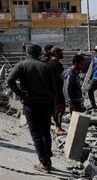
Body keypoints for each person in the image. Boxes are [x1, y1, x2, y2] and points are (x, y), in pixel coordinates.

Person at [7, 44, 57, 172]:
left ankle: (45, 163)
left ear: (27, 52)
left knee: (36, 134)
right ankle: (47, 158)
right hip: (45, 103)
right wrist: (53, 105)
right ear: (39, 53)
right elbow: (53, 88)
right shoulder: (45, 67)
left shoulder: (22, 65)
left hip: (30, 103)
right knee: (45, 132)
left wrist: (21, 93)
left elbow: (10, 80)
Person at [45, 46, 66, 134]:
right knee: (60, 109)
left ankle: (48, 126)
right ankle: (58, 127)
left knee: (53, 109)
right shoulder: (57, 64)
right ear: (56, 53)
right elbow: (62, 77)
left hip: (50, 91)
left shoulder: (48, 63)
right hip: (58, 91)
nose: (62, 53)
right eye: (60, 51)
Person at [86, 45, 97, 111]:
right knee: (90, 91)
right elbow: (93, 68)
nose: (96, 52)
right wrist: (90, 77)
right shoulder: (94, 57)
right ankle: (93, 105)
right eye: (96, 51)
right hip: (94, 78)